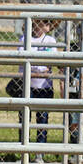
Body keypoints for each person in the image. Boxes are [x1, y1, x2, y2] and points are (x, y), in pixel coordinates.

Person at [26, 18, 58, 152]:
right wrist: (40, 68)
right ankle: (24, 151)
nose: (47, 25)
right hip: (27, 85)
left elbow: (51, 60)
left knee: (43, 120)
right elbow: (25, 61)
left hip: (45, 86)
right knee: (25, 120)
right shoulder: (26, 38)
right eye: (44, 22)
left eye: (48, 23)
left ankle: (40, 152)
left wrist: (35, 65)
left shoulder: (50, 41)